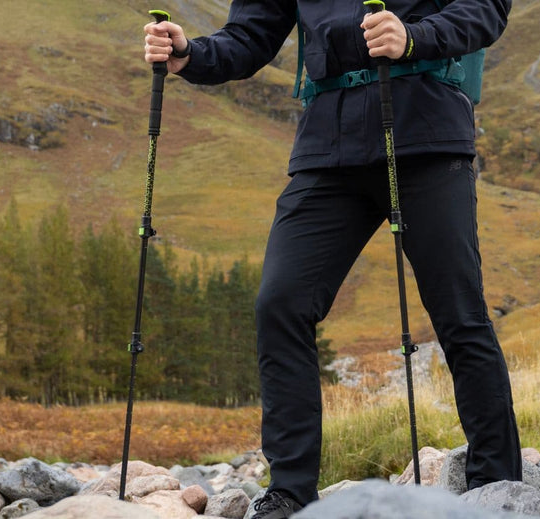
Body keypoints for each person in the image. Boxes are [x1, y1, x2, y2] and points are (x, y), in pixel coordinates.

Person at [142, 0, 517, 516]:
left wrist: (415, 37)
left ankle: (496, 489)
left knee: (459, 313)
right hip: (327, 147)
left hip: (427, 135)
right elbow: (250, 35)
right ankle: (291, 492)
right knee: (280, 303)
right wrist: (191, 54)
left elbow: (486, 8)